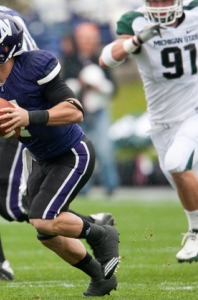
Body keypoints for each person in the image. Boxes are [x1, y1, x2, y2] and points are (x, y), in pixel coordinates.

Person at [0, 0, 116, 282]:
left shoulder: (31, 63)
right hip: (24, 136)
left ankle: (92, 225)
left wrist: (27, 117)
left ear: (3, 48)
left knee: (22, 211)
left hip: (45, 135)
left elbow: (74, 110)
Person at [99, 0, 198, 263]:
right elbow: (105, 59)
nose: (161, 6)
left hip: (194, 111)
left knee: (177, 163)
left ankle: (195, 233)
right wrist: (134, 42)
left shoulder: (194, 13)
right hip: (161, 121)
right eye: (155, 0)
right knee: (182, 179)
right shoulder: (135, 21)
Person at [61, 23, 120, 196]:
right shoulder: (70, 60)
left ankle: (111, 187)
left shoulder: (101, 59)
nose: (88, 43)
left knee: (104, 148)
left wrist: (100, 86)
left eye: (91, 39)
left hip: (99, 110)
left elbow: (113, 88)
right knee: (78, 150)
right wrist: (80, 83)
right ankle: (82, 188)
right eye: (84, 39)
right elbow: (63, 87)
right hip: (78, 112)